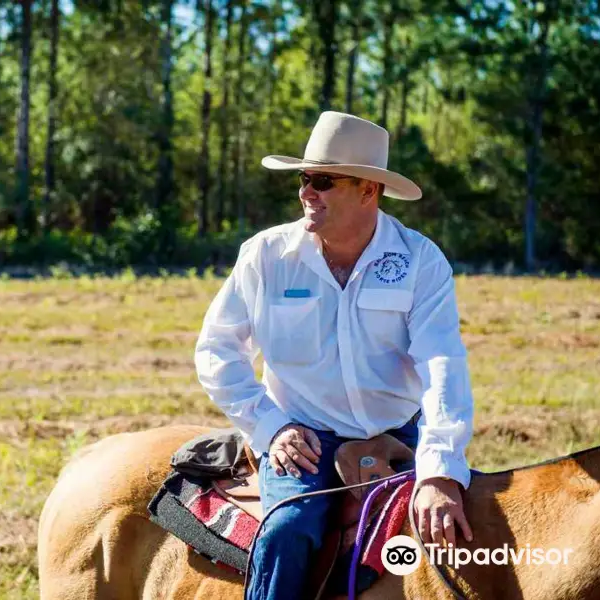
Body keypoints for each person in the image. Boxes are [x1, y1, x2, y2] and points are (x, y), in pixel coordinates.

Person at [194, 111, 475, 600]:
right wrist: (270, 426)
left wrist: (441, 470)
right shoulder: (266, 255)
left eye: (322, 180)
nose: (307, 191)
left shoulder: (419, 260)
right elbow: (218, 349)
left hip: (399, 431)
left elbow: (442, 364)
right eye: (304, 179)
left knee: (469, 535)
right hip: (304, 439)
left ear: (369, 190)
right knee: (287, 532)